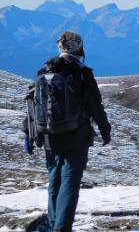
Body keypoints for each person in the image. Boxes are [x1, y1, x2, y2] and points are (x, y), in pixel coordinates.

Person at [22, 31, 111, 232]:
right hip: (76, 136)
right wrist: (105, 130)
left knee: (55, 182)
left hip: (48, 136)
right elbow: (95, 106)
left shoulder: (43, 72)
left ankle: (54, 224)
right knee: (70, 183)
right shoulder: (81, 73)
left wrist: (28, 133)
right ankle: (62, 228)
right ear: (79, 48)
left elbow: (33, 106)